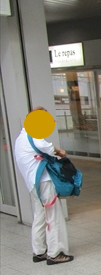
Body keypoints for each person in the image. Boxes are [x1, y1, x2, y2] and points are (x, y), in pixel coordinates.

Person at [13, 106, 73, 265]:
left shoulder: (21, 138)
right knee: (53, 216)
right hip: (44, 182)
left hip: (33, 184)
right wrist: (60, 151)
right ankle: (55, 253)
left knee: (40, 216)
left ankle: (39, 251)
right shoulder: (33, 135)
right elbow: (49, 148)